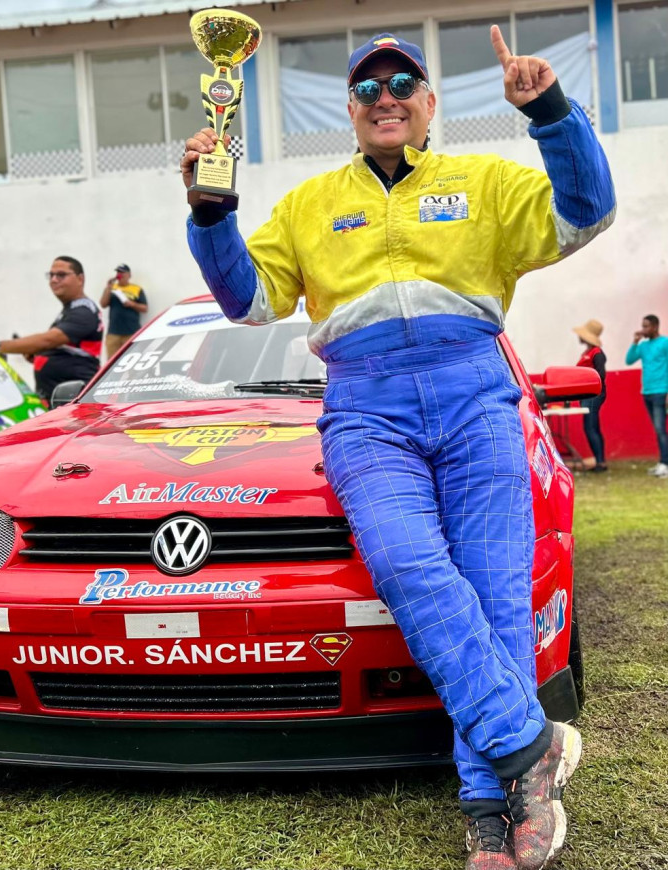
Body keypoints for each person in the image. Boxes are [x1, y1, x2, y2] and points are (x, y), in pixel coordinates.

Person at [181, 26, 615, 870]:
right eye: (369, 87)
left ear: (428, 101)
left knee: (495, 603)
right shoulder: (309, 205)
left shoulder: (484, 181)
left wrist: (553, 114)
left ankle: (493, 809)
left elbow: (586, 212)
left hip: (474, 395)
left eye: (402, 82)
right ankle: (531, 745)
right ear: (350, 110)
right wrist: (209, 212)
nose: (386, 95)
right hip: (366, 411)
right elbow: (246, 303)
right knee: (409, 566)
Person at [0, 256, 103, 403]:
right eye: (51, 275)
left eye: (61, 275)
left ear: (80, 278)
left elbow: (48, 340)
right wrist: (38, 355)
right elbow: (66, 351)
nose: (54, 280)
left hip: (74, 404)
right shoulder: (70, 310)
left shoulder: (83, 311)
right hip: (58, 402)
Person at [625, 314, 668, 477]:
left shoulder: (665, 343)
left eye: (646, 326)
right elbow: (629, 360)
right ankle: (662, 462)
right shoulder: (643, 346)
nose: (643, 330)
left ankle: (665, 463)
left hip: (661, 391)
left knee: (660, 429)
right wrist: (635, 342)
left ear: (655, 327)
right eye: (642, 326)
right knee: (658, 430)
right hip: (647, 392)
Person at [573, 319, 608, 472]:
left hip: (593, 395)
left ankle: (600, 463)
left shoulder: (597, 353)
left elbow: (601, 374)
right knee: (593, 427)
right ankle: (600, 461)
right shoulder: (589, 352)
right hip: (588, 394)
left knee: (590, 428)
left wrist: (586, 382)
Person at [99, 263, 148, 359]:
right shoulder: (112, 288)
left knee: (132, 360)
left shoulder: (137, 289)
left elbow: (144, 308)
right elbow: (103, 304)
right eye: (118, 272)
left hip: (131, 332)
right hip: (113, 333)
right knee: (112, 361)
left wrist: (132, 304)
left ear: (129, 275)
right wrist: (108, 287)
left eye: (122, 272)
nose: (119, 274)